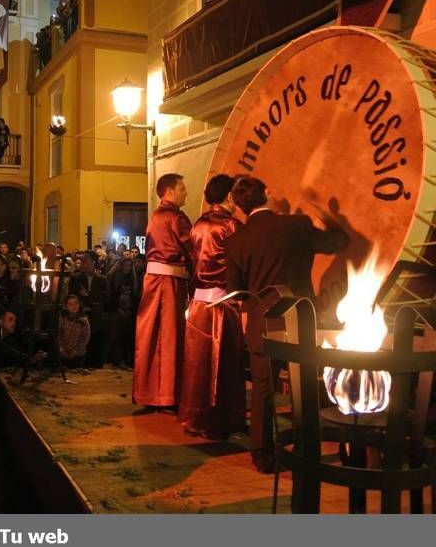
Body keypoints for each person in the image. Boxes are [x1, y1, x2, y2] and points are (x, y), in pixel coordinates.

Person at [225, 176, 348, 473]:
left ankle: (263, 457)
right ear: (266, 194)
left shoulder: (235, 241)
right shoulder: (297, 226)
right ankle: (307, 452)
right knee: (302, 391)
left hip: (261, 322)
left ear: (239, 207)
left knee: (263, 393)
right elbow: (339, 242)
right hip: (299, 320)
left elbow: (236, 288)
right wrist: (323, 211)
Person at [179, 174, 246, 441]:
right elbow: (240, 264)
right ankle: (219, 422)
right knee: (223, 365)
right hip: (222, 304)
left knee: (197, 365)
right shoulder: (232, 226)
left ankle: (194, 418)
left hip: (198, 304)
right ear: (230, 196)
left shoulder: (198, 224)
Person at [133, 173, 193, 410]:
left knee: (150, 334)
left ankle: (148, 391)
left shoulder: (156, 217)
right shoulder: (175, 218)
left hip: (153, 280)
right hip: (169, 282)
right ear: (169, 191)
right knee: (169, 337)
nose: (185, 192)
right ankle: (167, 394)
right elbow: (193, 247)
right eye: (182, 188)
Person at [68, 252, 110, 368]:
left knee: (98, 336)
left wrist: (88, 295)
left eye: (86, 261)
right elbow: (73, 295)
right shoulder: (75, 278)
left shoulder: (102, 279)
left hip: (96, 314)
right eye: (82, 261)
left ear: (93, 263)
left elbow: (106, 297)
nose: (83, 264)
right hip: (80, 313)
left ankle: (96, 363)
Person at [58, 294, 90, 368]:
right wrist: (61, 349)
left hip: (77, 355)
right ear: (66, 306)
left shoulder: (84, 320)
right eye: (70, 304)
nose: (74, 306)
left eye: (76, 303)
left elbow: (85, 339)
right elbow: (58, 334)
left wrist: (75, 351)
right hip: (62, 352)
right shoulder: (62, 318)